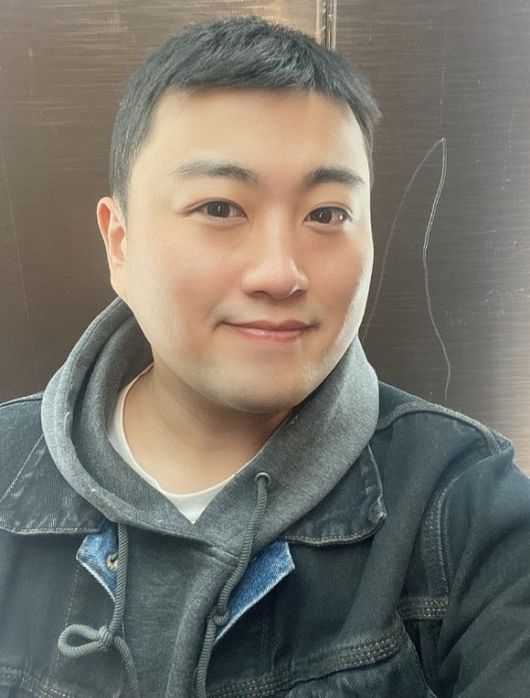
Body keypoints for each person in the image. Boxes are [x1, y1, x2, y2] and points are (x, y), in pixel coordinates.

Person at [0, 14, 528, 698]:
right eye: (221, 208)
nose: (281, 273)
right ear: (120, 244)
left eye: (327, 214)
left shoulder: (464, 506)